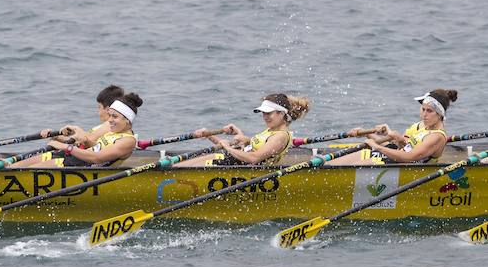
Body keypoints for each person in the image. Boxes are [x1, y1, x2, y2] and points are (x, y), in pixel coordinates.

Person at [176, 93, 310, 167]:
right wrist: (210, 135)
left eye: (269, 113)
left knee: (178, 170)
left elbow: (254, 158)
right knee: (177, 167)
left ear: (281, 114)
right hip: (230, 161)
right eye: (263, 113)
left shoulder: (280, 137)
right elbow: (250, 146)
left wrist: (228, 147)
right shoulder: (270, 130)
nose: (265, 117)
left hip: (235, 168)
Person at [331, 89, 457, 165]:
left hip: (404, 167)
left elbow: (409, 156)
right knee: (331, 165)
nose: (424, 114)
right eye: (423, 109)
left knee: (347, 168)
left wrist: (378, 147)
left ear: (440, 114)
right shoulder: (420, 125)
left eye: (429, 111)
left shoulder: (436, 137)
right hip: (394, 157)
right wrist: (370, 133)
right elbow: (404, 145)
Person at [14, 85, 125, 168]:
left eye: (99, 107)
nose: (98, 112)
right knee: (16, 167)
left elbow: (85, 140)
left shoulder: (108, 126)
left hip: (78, 162)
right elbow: (81, 141)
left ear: (107, 109)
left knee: (20, 169)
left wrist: (75, 129)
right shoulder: (105, 127)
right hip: (72, 156)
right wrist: (55, 136)